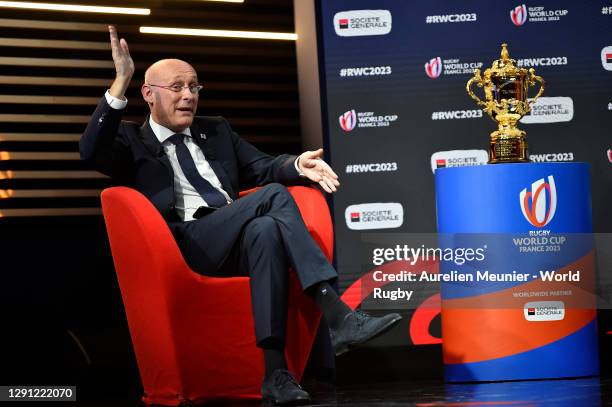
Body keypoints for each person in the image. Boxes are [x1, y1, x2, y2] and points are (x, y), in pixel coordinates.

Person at [80, 26, 401, 405]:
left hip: (235, 238)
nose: (188, 96)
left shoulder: (215, 131)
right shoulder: (131, 140)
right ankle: (336, 313)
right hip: (184, 244)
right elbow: (90, 150)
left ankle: (275, 374)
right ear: (148, 95)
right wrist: (121, 80)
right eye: (178, 87)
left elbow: (263, 166)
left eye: (194, 87)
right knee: (274, 199)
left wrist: (298, 163)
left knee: (265, 229)